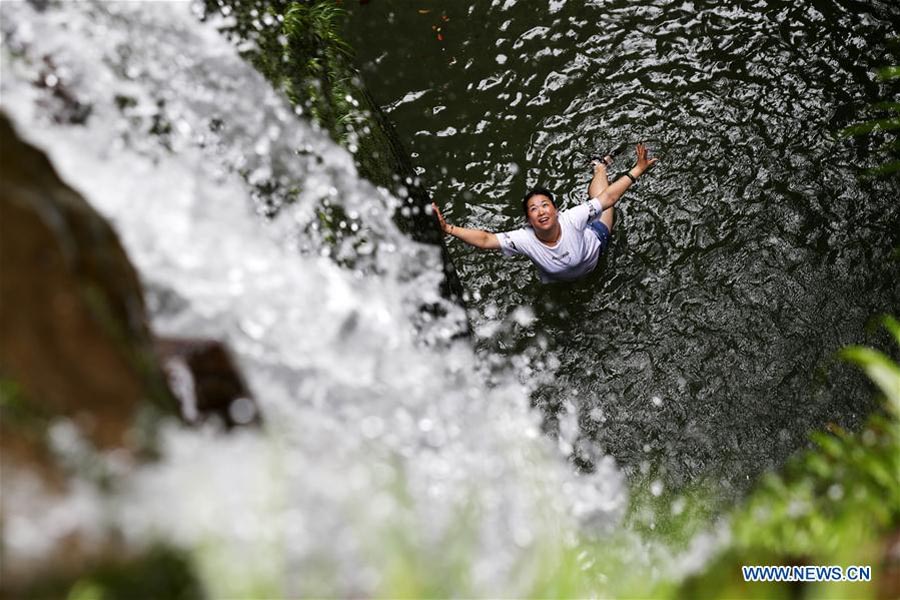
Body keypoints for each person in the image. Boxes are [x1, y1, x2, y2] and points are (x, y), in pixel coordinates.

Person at [431, 143, 659, 283]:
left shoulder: (572, 218)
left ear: (556, 210)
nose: (540, 211)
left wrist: (637, 169)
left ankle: (599, 166)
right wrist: (447, 228)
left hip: (597, 240)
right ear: (528, 220)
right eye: (533, 209)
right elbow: (485, 239)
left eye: (545, 205)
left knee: (602, 202)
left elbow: (608, 198)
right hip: (559, 282)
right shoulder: (524, 238)